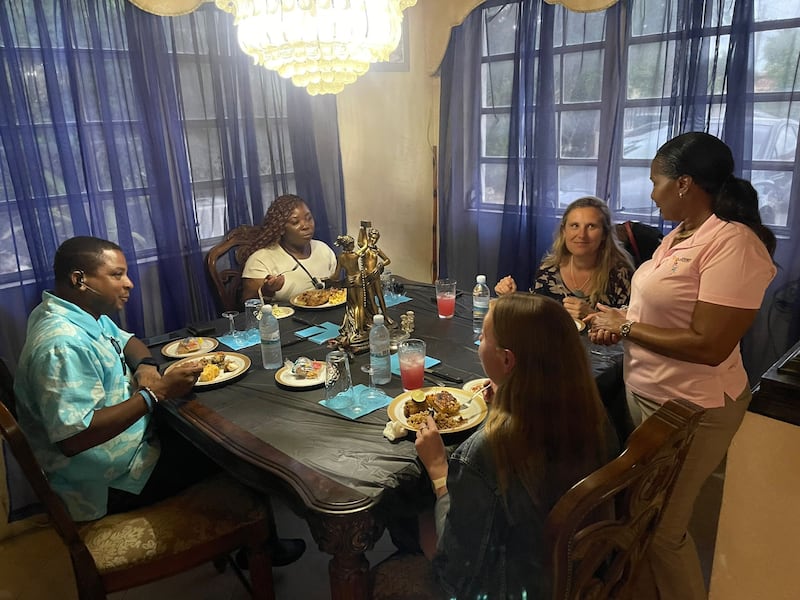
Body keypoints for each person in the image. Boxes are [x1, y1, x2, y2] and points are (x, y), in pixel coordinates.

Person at [14, 236, 305, 564]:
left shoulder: (76, 312)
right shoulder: (61, 345)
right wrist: (155, 394)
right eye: (116, 275)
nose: (129, 283)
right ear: (79, 279)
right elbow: (75, 437)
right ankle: (259, 547)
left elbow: (130, 342)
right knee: (237, 451)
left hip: (130, 443)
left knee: (214, 427)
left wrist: (147, 368)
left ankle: (255, 542)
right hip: (107, 482)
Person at [588, 132, 777, 600]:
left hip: (693, 407)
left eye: (656, 182)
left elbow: (709, 344)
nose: (651, 193)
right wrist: (621, 322)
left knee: (664, 530)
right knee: (640, 509)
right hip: (648, 392)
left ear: (685, 184)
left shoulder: (734, 244)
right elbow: (662, 310)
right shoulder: (680, 235)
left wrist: (627, 328)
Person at [415, 293, 609, 598]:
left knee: (413, 514)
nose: (478, 340)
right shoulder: (588, 410)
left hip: (509, 584)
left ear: (506, 359)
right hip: (570, 567)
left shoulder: (482, 454)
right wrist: (504, 394)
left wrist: (439, 472)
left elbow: (456, 571)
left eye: (482, 337)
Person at [495, 196, 633, 320]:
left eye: (591, 226)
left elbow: (630, 330)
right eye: (574, 226)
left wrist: (591, 315)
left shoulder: (621, 276)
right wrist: (511, 299)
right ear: (564, 231)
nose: (581, 235)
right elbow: (535, 317)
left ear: (604, 234)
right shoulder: (548, 269)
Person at [241, 194, 337, 303]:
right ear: (281, 228)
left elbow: (336, 291)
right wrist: (267, 291)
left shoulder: (323, 250)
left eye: (309, 218)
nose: (306, 226)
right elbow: (248, 306)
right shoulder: (260, 260)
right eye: (295, 222)